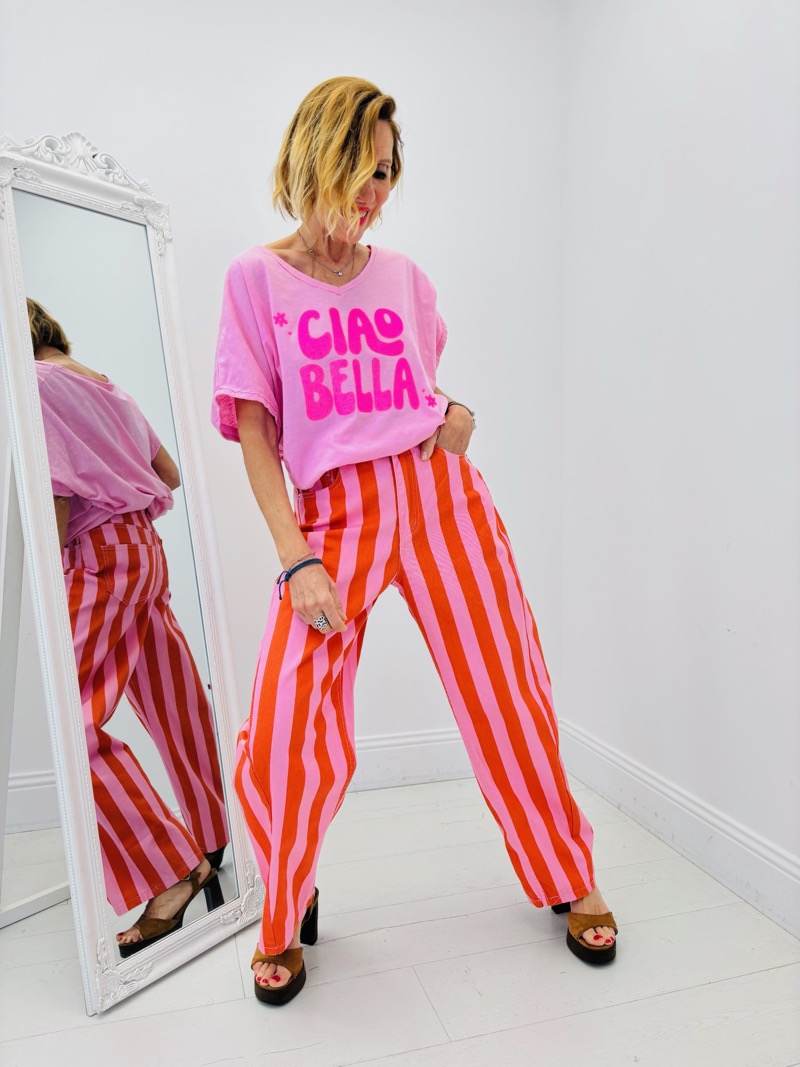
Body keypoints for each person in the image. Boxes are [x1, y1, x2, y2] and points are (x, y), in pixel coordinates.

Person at [212, 76, 618, 1006]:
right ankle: (285, 899)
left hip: (439, 498)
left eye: (388, 174)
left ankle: (567, 872)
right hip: (334, 517)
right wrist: (296, 557)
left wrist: (456, 410)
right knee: (285, 721)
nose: (376, 192)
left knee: (507, 690)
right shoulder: (254, 278)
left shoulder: (403, 275)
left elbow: (413, 393)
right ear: (318, 154)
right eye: (363, 168)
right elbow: (257, 431)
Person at [29, 298, 229, 956]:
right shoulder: (103, 383)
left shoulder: (33, 384)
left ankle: (172, 872)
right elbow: (168, 473)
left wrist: (52, 568)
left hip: (98, 555)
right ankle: (212, 835)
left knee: (72, 718)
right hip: (144, 547)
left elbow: (58, 492)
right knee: (175, 699)